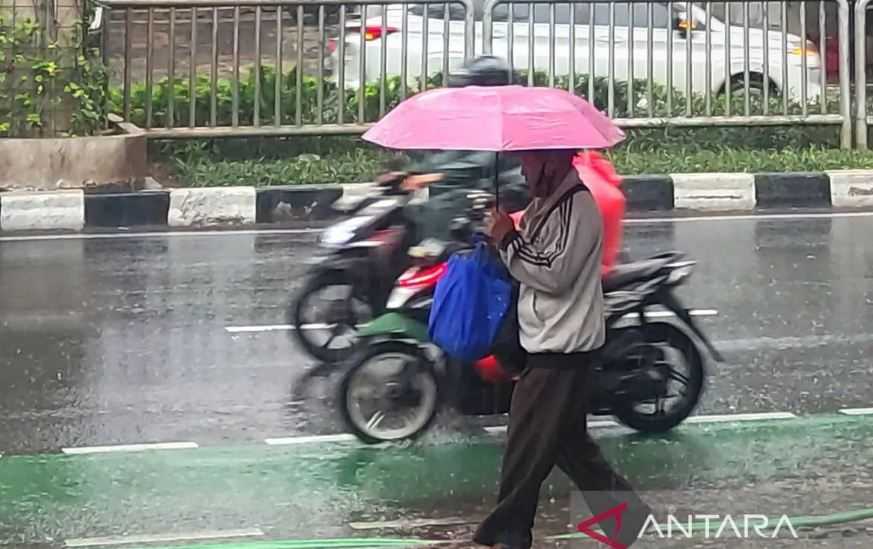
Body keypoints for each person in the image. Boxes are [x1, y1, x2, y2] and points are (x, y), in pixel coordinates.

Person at [474, 149, 649, 549]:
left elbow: (552, 275)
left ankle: (506, 532)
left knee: (524, 445)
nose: (523, 172)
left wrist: (509, 240)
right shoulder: (545, 206)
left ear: (552, 163)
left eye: (530, 164)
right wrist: (501, 241)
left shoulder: (578, 207)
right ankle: (626, 522)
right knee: (570, 448)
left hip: (561, 349)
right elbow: (530, 263)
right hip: (545, 341)